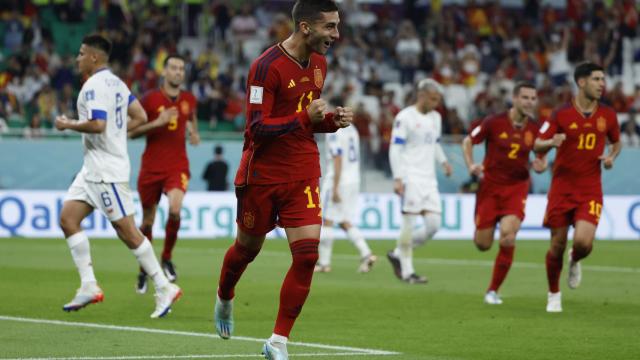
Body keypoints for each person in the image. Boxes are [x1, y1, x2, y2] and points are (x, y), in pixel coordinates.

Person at [212, 1, 350, 359]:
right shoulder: (265, 67)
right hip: (263, 175)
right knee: (247, 250)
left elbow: (307, 119)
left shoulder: (320, 64)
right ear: (306, 27)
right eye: (330, 27)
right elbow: (258, 128)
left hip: (302, 170)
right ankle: (225, 295)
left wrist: (330, 121)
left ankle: (277, 341)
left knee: (307, 257)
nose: (336, 35)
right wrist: (307, 119)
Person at [55, 34, 181, 318]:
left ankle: (163, 286)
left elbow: (98, 124)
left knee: (128, 231)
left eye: (81, 53)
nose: (77, 58)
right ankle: (88, 285)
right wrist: (115, 134)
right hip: (92, 169)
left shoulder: (93, 86)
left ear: (93, 58)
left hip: (106, 172)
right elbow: (140, 117)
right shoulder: (117, 83)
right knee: (68, 219)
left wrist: (68, 123)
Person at [534, 62, 621, 313]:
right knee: (556, 245)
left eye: (603, 79)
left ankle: (576, 258)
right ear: (581, 82)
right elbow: (538, 144)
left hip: (590, 189)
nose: (602, 84)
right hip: (561, 189)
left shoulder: (608, 115)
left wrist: (611, 157)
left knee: (583, 243)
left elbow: (616, 143)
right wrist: (552, 140)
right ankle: (553, 294)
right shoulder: (560, 114)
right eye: (596, 79)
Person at [461, 82, 548, 305]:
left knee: (509, 235)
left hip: (516, 188)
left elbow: (541, 155)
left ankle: (492, 290)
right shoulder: (493, 122)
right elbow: (468, 140)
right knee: (483, 244)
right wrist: (471, 165)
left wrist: (541, 164)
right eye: (525, 98)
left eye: (533, 98)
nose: (530, 102)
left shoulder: (536, 129)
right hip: (489, 188)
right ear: (515, 98)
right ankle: (485, 231)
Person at [128, 54, 200, 293]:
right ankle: (144, 269)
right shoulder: (149, 99)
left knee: (175, 209)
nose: (178, 72)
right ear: (164, 72)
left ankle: (166, 257)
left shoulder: (189, 99)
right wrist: (158, 123)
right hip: (151, 167)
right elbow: (132, 132)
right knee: (147, 221)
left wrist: (192, 132)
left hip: (177, 165)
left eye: (181, 68)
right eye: (174, 68)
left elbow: (190, 118)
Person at [387, 78, 453, 284]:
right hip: (410, 177)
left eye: (438, 100)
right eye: (433, 99)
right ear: (422, 95)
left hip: (429, 179)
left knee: (434, 225)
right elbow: (395, 148)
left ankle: (398, 252)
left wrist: (444, 162)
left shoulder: (436, 118)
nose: (436, 103)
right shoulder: (404, 117)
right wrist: (398, 177)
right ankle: (408, 272)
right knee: (409, 223)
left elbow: (435, 144)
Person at [315, 126, 377, 274]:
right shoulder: (353, 129)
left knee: (327, 220)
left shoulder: (333, 130)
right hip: (353, 180)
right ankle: (366, 253)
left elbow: (337, 157)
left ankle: (324, 263)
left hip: (339, 180)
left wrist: (335, 186)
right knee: (344, 221)